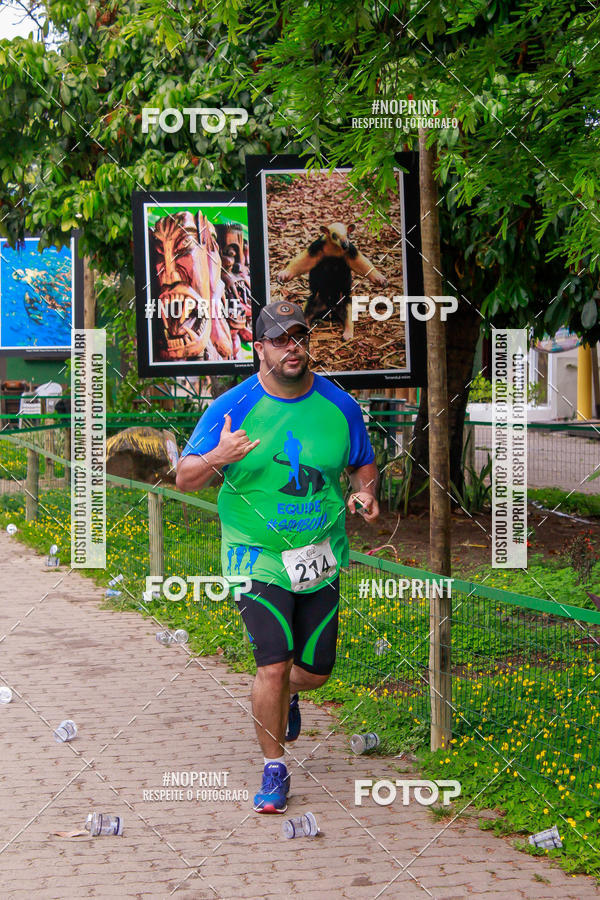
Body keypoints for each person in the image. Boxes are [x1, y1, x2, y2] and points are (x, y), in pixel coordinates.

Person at [176, 300, 379, 813]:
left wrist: (366, 494)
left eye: (300, 337)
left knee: (315, 670)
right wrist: (218, 456)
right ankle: (274, 768)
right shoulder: (231, 407)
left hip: (321, 553)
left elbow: (362, 464)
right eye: (281, 339)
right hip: (255, 553)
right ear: (259, 347)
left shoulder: (341, 406)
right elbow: (184, 477)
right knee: (271, 661)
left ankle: (287, 693)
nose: (293, 347)